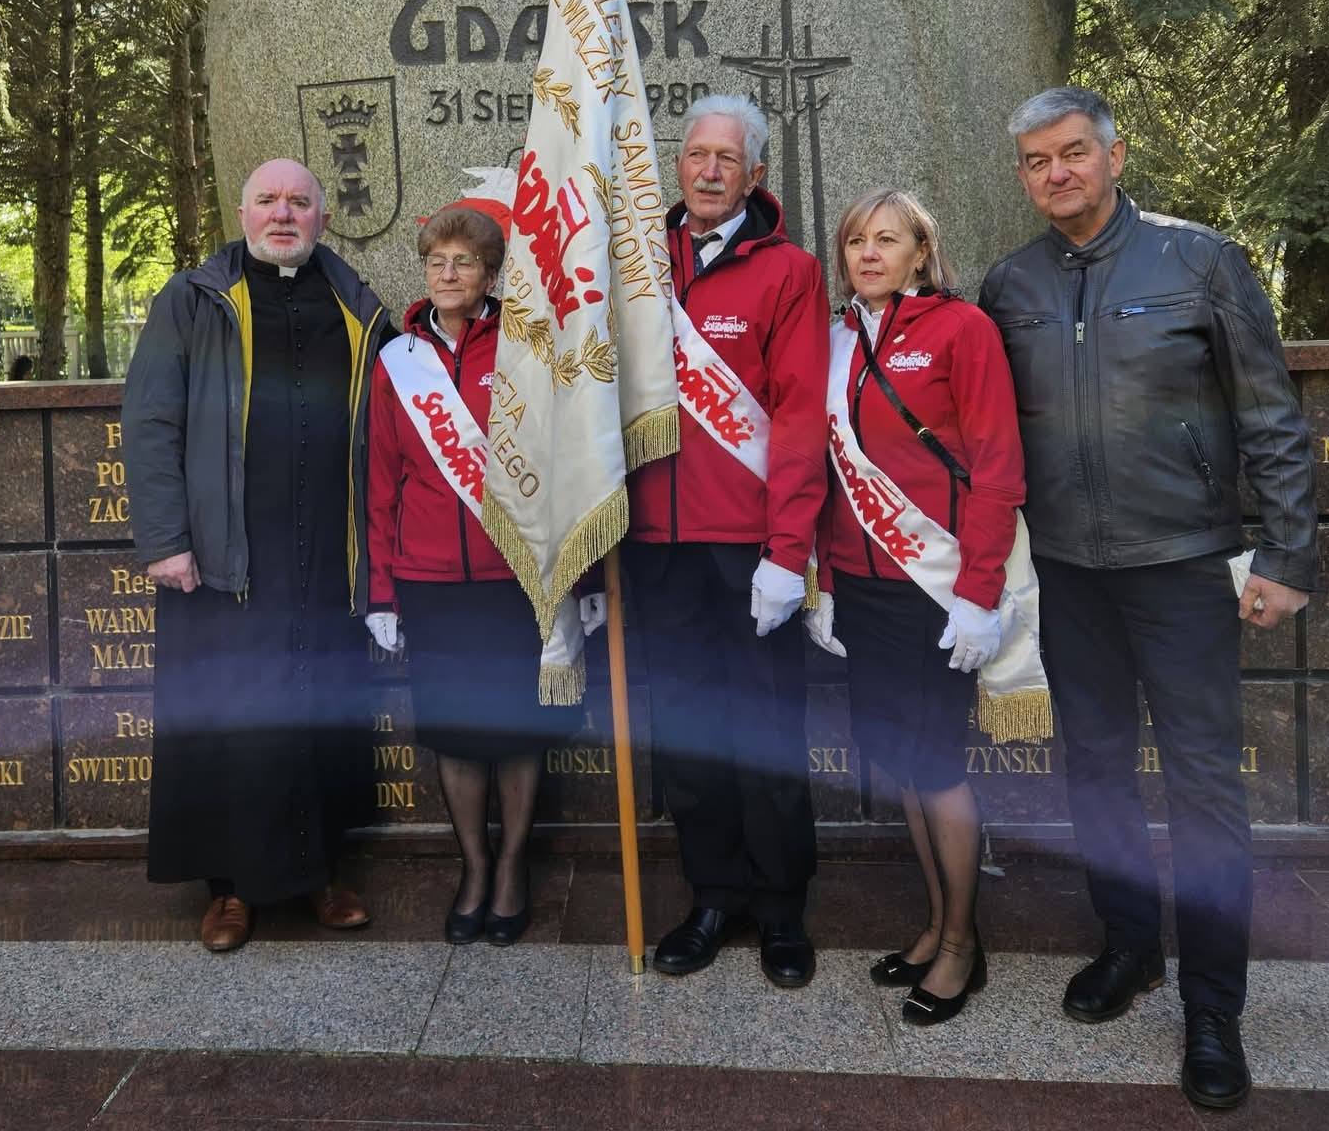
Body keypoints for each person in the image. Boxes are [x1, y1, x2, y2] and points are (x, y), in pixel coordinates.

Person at [979, 86, 1317, 1110]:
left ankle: (1213, 1009)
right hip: (1068, 572)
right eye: (1036, 161)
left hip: (1181, 566)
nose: (1056, 173)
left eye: (1073, 152)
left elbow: (1269, 412)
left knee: (1204, 787)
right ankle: (1128, 945)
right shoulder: (1010, 284)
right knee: (1093, 771)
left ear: (1114, 156)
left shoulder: (1197, 260)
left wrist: (1285, 554)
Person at [122, 158, 394, 954]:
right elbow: (150, 422)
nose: (283, 214)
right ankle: (230, 889)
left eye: (299, 202)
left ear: (322, 219)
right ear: (241, 215)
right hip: (223, 561)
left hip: (326, 558)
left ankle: (321, 875)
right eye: (268, 201)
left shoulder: (358, 306)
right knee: (231, 721)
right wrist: (166, 541)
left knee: (320, 713)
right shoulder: (194, 299)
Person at [625, 94, 831, 988]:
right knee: (686, 734)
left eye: (727, 159)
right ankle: (711, 896)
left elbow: (799, 419)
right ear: (679, 165)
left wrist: (788, 553)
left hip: (748, 548)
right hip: (655, 546)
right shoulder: (634, 263)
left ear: (755, 175)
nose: (708, 171)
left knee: (766, 730)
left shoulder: (790, 271)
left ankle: (781, 908)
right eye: (696, 154)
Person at [816, 190, 1025, 1026]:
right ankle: (936, 924)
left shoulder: (961, 330)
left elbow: (998, 469)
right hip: (863, 585)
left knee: (938, 766)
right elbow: (831, 478)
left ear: (921, 253)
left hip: (935, 587)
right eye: (855, 241)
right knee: (902, 761)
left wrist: (977, 595)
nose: (869, 253)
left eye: (887, 239)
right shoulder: (836, 340)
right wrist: (827, 584)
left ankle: (964, 945)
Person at [364, 205, 590, 946]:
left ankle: (513, 868)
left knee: (518, 732)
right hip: (431, 581)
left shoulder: (528, 348)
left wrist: (581, 576)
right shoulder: (399, 361)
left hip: (516, 578)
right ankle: (475, 867)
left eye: (464, 261)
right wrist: (382, 592)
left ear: (492, 275)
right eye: (437, 261)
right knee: (456, 736)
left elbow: (569, 467)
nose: (448, 273)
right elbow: (382, 483)